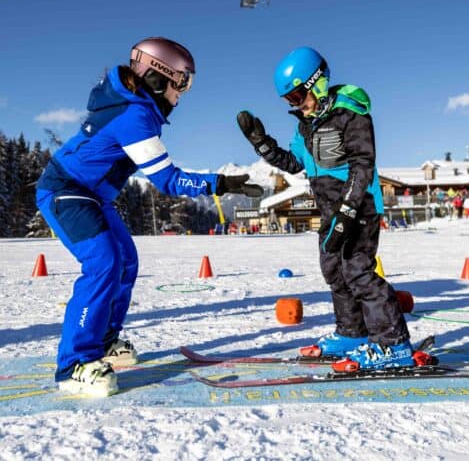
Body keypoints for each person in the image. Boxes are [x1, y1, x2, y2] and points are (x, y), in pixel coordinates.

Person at [36, 36, 263, 396]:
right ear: (159, 76)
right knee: (104, 264)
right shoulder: (135, 114)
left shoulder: (137, 108)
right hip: (67, 191)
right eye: (182, 82)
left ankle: (106, 338)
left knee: (126, 260)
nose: (182, 93)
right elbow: (168, 180)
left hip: (92, 196)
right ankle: (74, 364)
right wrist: (218, 182)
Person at [237, 46, 413, 370]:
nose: (296, 105)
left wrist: (348, 211)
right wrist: (260, 142)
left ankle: (393, 343)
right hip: (331, 210)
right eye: (289, 101)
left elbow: (363, 165)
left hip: (359, 207)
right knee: (334, 272)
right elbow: (292, 163)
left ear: (316, 83)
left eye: (296, 96)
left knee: (358, 272)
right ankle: (352, 333)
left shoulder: (350, 113)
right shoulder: (306, 126)